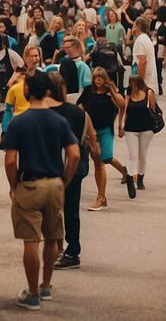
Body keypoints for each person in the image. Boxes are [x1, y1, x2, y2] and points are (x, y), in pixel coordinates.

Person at [1, 72, 79, 310]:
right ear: (48, 91)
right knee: (53, 235)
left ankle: (32, 293)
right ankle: (46, 285)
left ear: (26, 91)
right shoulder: (59, 121)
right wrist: (64, 180)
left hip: (30, 183)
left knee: (31, 240)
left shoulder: (18, 122)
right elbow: (74, 154)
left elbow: (10, 160)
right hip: (54, 183)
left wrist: (13, 186)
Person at [42, 71, 95, 271]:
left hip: (50, 167)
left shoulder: (44, 112)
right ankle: (72, 251)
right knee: (71, 211)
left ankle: (56, 247)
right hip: (75, 167)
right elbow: (88, 139)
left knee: (50, 211)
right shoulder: (78, 112)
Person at [77, 68, 129, 211]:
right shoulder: (88, 91)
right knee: (98, 162)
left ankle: (124, 173)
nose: (98, 80)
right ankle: (101, 198)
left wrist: (112, 91)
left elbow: (122, 105)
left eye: (101, 77)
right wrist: (84, 127)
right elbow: (80, 107)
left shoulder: (110, 92)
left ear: (105, 78)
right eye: (95, 77)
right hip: (91, 131)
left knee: (106, 158)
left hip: (106, 130)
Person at [120, 75, 157, 195]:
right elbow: (125, 110)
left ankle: (140, 178)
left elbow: (153, 109)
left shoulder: (149, 92)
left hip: (146, 129)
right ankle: (132, 179)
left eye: (132, 83)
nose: (131, 86)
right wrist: (122, 126)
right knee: (132, 155)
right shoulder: (128, 93)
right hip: (130, 128)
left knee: (142, 154)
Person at [131, 17, 159, 94]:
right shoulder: (145, 38)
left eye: (133, 26)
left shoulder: (140, 40)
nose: (132, 28)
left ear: (138, 26)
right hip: (149, 82)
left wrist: (139, 83)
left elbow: (142, 62)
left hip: (145, 83)